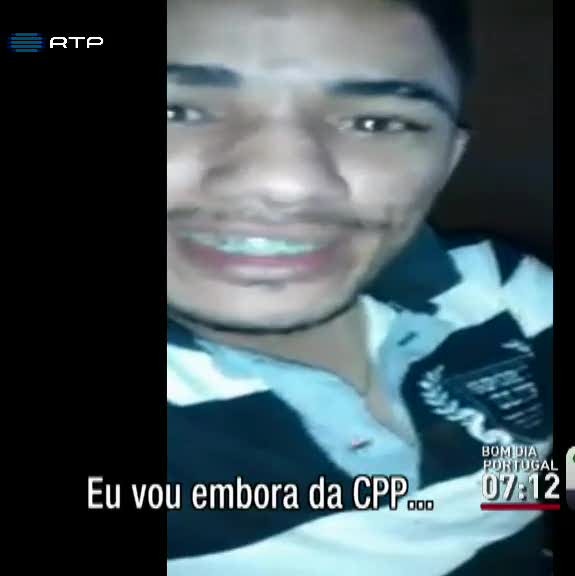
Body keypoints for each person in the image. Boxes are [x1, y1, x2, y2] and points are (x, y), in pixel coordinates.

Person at [166, 0, 553, 574]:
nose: (285, 182)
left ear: (446, 161)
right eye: (178, 111)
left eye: (378, 124)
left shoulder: (505, 291)